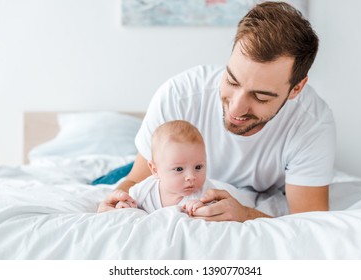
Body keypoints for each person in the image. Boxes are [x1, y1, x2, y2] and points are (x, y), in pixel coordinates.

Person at [98, 1, 336, 222]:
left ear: (296, 89)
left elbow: (309, 223)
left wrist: (245, 214)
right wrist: (117, 200)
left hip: (266, 188)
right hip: (172, 169)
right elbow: (137, 180)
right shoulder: (179, 96)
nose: (236, 107)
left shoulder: (311, 123)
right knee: (107, 179)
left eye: (260, 96)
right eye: (232, 81)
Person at [114, 120, 255, 215]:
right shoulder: (144, 190)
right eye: (179, 169)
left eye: (198, 167)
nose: (191, 177)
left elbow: (219, 212)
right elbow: (127, 202)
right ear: (155, 170)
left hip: (234, 193)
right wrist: (125, 205)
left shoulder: (205, 194)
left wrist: (203, 209)